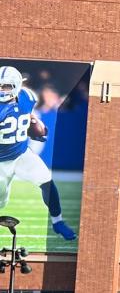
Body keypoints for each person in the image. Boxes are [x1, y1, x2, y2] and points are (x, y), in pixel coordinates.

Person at [0, 66, 76, 240]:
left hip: (21, 154)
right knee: (1, 202)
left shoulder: (28, 97)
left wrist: (34, 124)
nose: (2, 90)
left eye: (6, 86)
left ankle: (58, 222)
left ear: (17, 85)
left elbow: (27, 114)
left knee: (47, 181)